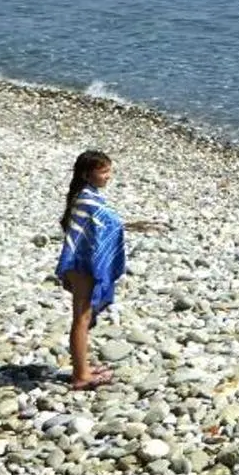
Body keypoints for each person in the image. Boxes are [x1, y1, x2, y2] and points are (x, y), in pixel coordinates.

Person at [54, 149, 161, 389]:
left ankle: (82, 366)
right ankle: (81, 375)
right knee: (81, 319)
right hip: (83, 264)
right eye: (103, 172)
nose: (108, 176)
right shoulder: (86, 201)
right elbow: (92, 233)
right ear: (87, 174)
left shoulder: (88, 197)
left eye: (109, 171)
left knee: (84, 317)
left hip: (85, 263)